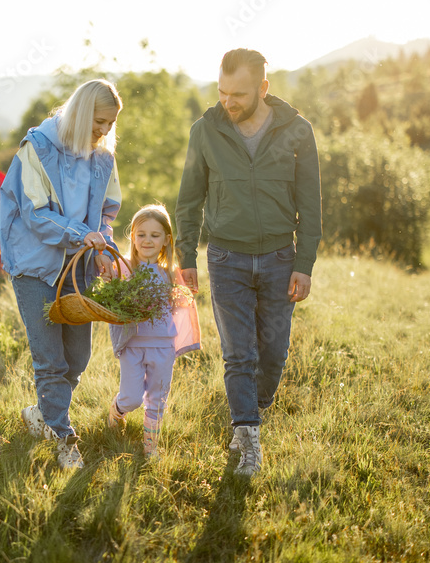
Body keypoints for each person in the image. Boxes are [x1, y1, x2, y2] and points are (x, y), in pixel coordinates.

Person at [175, 48, 322, 477]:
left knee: (272, 355)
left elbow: (311, 204)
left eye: (238, 94)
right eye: (222, 92)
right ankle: (248, 436)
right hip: (226, 257)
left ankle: (250, 410)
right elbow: (189, 199)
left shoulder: (298, 131)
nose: (228, 101)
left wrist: (305, 262)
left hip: (280, 257)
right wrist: (186, 255)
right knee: (239, 355)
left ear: (263, 88)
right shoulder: (205, 130)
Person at [0, 79, 124, 469]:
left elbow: (106, 213)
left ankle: (42, 413)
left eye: (111, 124)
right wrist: (78, 233)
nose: (104, 131)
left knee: (77, 358)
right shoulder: (35, 149)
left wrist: (103, 245)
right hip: (35, 266)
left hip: (78, 268)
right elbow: (35, 214)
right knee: (50, 360)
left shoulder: (103, 159)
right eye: (99, 121)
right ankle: (63, 437)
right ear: (83, 112)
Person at [107, 204, 200, 458]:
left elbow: (181, 306)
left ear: (166, 240)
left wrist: (183, 294)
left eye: (155, 235)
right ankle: (117, 409)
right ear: (133, 238)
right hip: (133, 344)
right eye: (141, 234)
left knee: (157, 399)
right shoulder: (124, 269)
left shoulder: (171, 274)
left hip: (162, 345)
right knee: (132, 398)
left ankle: (151, 448)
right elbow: (111, 299)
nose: (147, 240)